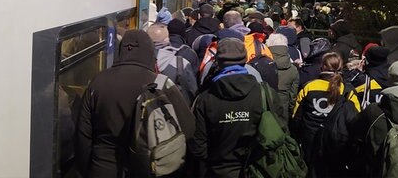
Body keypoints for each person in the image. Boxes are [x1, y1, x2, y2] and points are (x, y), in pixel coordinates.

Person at [74, 30, 195, 178]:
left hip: (103, 168)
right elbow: (188, 128)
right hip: (147, 168)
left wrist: (87, 170)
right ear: (150, 53)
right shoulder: (161, 84)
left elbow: (83, 136)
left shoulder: (97, 83)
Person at [189, 38, 266, 178]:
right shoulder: (264, 94)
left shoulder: (204, 99)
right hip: (254, 170)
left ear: (217, 62)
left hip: (216, 171)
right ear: (245, 60)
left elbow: (198, 147)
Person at [291, 52, 361, 177]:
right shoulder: (347, 90)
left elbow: (296, 117)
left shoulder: (309, 87)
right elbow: (356, 119)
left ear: (322, 67)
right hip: (336, 142)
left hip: (310, 140)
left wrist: (297, 137)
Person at [268, 32, 299, 122]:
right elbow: (293, 95)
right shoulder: (293, 69)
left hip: (267, 106)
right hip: (283, 109)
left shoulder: (263, 65)